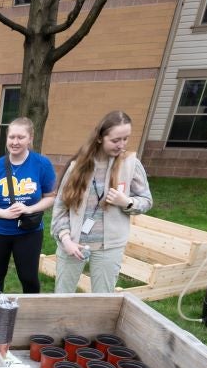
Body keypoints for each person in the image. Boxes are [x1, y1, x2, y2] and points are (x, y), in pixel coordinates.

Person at [50, 110, 153, 294]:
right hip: (73, 245)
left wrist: (127, 202)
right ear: (100, 138)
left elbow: (146, 201)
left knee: (104, 299)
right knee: (62, 298)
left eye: (126, 139)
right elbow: (60, 208)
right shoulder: (78, 166)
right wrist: (66, 240)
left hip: (109, 248)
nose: (121, 145)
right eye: (115, 140)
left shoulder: (131, 164)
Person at [0, 116, 56, 293]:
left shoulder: (42, 164)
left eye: (21, 137)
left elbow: (50, 197)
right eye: (12, 137)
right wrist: (3, 213)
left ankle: (32, 315)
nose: (15, 142)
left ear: (30, 139)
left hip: (29, 232)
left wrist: (29, 208)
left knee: (29, 278)